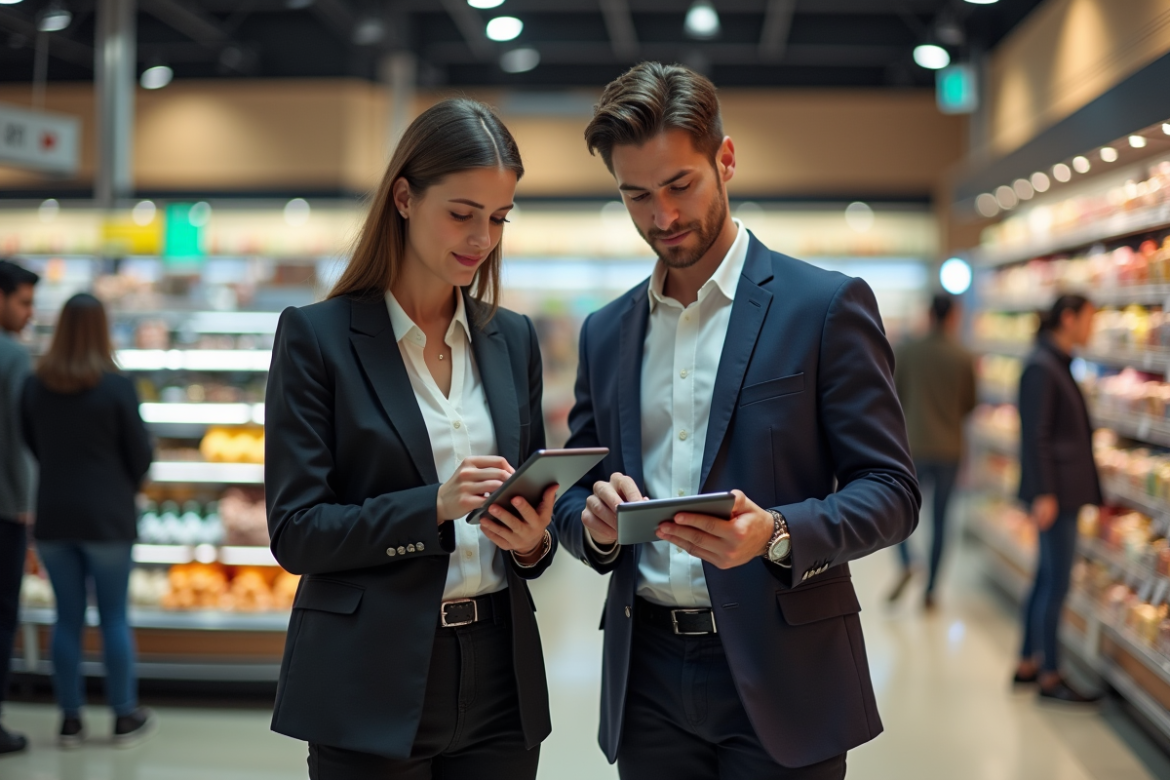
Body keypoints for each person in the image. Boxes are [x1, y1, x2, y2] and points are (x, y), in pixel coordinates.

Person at [552, 63, 920, 779]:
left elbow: (892, 492)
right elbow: (574, 490)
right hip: (647, 674)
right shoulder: (605, 332)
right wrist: (592, 526)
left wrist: (775, 533)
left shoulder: (825, 307)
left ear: (725, 159)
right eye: (636, 196)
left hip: (786, 669)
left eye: (679, 185)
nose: (662, 217)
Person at [265, 98, 558, 780]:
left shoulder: (510, 337)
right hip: (368, 670)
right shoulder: (318, 338)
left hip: (499, 672)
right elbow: (298, 531)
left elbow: (534, 519)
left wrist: (534, 538)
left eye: (498, 218)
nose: (482, 236)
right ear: (403, 196)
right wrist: (434, 505)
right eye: (462, 213)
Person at [20, 293, 156, 747]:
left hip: (55, 514)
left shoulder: (36, 384)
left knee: (67, 619)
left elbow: (31, 441)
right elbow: (141, 455)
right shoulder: (117, 386)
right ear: (103, 329)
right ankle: (122, 714)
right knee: (114, 616)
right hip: (108, 517)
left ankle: (70, 719)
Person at [1014, 294, 1101, 704]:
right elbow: (1036, 435)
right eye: (1089, 318)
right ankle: (1051, 673)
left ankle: (1027, 663)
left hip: (1062, 489)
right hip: (1058, 493)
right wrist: (1045, 491)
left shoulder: (1053, 362)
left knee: (1045, 577)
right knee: (1056, 582)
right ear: (1068, 319)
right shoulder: (1042, 366)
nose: (1092, 327)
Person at [887, 293, 976, 609]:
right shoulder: (964, 356)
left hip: (913, 446)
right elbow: (969, 404)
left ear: (929, 314)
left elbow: (894, 395)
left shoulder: (908, 351)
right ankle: (932, 590)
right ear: (953, 316)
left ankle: (908, 559)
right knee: (941, 519)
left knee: (899, 512)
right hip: (950, 448)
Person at [0, 259, 38, 756]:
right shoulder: (13, 356)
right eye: (24, 302)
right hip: (4, 509)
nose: (30, 313)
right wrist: (27, 505)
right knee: (2, 615)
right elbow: (18, 441)